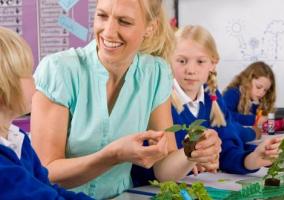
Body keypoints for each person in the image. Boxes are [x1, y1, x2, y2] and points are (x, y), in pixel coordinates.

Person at [31, 1, 221, 199]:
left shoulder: (155, 73)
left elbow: (163, 171)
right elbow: (46, 174)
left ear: (150, 28)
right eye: (102, 16)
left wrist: (191, 153)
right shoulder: (59, 70)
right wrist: (113, 156)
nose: (109, 32)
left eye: (124, 21)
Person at [170, 25, 282, 175]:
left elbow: (227, 151)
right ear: (169, 59)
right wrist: (187, 162)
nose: (190, 70)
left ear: (213, 63)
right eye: (182, 61)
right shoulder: (161, 100)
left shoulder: (213, 97)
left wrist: (253, 159)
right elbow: (152, 163)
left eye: (200, 61)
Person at [0, 27, 93, 200]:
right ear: (3, 89)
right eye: (27, 74)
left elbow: (49, 189)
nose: (34, 79)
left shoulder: (18, 139)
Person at [223, 61, 276, 130]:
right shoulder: (232, 93)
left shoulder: (256, 100)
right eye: (258, 87)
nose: (261, 93)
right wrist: (254, 119)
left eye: (265, 90)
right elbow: (224, 116)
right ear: (247, 81)